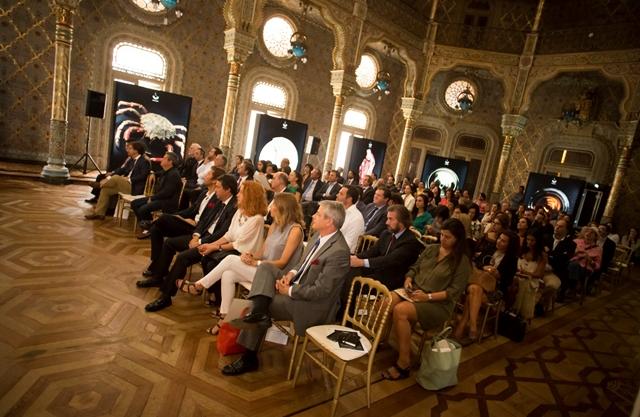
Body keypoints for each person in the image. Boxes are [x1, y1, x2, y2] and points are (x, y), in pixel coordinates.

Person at [222, 201, 350, 376]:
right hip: (298, 286)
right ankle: (258, 315)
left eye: (318, 214)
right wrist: (290, 274)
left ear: (329, 221)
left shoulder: (339, 252)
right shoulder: (318, 236)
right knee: (265, 268)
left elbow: (321, 291)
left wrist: (289, 291)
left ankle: (249, 357)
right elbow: (301, 263)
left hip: (312, 305)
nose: (312, 215)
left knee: (260, 304)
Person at [192, 193, 304, 334]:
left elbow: (282, 263)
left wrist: (255, 262)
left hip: (276, 277)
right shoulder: (275, 225)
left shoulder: (295, 230)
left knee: (231, 259)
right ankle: (224, 317)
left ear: (282, 208)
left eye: (273, 204)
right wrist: (250, 255)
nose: (270, 207)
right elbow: (262, 252)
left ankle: (200, 285)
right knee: (228, 274)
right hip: (262, 270)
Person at [382, 218, 471, 380]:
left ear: (457, 239)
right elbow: (414, 268)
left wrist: (427, 296)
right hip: (416, 291)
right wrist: (408, 280)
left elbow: (453, 292)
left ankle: (404, 362)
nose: (443, 239)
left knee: (400, 311)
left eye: (448, 237)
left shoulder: (461, 262)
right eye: (442, 235)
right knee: (388, 300)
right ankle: (388, 339)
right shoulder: (432, 249)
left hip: (438, 303)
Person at [136, 175, 239, 311]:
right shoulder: (219, 200)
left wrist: (200, 241)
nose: (216, 189)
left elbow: (223, 233)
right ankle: (158, 276)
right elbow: (203, 221)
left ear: (228, 190)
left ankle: (165, 297)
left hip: (213, 244)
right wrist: (196, 236)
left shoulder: (233, 207)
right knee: (170, 243)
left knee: (182, 257)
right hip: (201, 237)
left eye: (219, 187)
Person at [144, 166, 226, 277]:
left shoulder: (217, 198)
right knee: (156, 229)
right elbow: (190, 211)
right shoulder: (203, 194)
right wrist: (176, 216)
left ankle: (149, 226)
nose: (205, 176)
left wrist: (193, 223)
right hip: (189, 224)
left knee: (162, 220)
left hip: (197, 229)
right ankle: (156, 263)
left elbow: (208, 220)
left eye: (208, 174)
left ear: (214, 180)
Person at [454, 230, 519, 343]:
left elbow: (507, 282)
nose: (499, 241)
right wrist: (484, 267)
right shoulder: (490, 248)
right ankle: (473, 326)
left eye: (503, 241)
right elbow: (477, 262)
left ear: (510, 245)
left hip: (494, 290)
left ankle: (464, 322)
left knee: (473, 292)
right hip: (476, 280)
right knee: (476, 289)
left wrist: (498, 275)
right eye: (499, 238)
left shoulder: (512, 259)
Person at [199, 181, 268, 278]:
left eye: (241, 192)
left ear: (250, 196)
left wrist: (214, 247)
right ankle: (210, 290)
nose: (237, 195)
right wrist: (211, 245)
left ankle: (207, 289)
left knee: (212, 264)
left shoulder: (257, 219)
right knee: (205, 259)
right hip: (232, 248)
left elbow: (239, 244)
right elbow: (229, 235)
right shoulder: (240, 211)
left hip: (245, 254)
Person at [350, 205, 424, 290]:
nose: (386, 222)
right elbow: (372, 251)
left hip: (392, 278)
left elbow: (389, 260)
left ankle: (348, 303)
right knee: (348, 271)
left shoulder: (410, 241)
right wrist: (355, 257)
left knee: (355, 283)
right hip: (378, 269)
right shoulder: (386, 234)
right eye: (387, 218)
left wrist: (361, 262)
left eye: (391, 219)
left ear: (402, 222)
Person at [85, 141, 151, 219]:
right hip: (125, 185)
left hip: (134, 188)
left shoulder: (144, 161)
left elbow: (143, 176)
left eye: (130, 148)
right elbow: (122, 170)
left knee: (116, 177)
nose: (127, 150)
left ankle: (99, 185)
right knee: (105, 190)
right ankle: (99, 214)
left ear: (136, 151)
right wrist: (109, 176)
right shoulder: (131, 159)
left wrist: (129, 179)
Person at [131, 151, 183, 235]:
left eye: (164, 158)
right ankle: (149, 226)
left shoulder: (174, 174)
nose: (162, 159)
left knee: (143, 209)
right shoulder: (166, 171)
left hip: (168, 202)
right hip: (160, 198)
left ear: (170, 162)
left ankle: (150, 228)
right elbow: (157, 173)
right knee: (134, 203)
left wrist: (152, 198)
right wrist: (152, 173)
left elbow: (167, 193)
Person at [513, 232, 547, 320]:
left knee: (523, 283)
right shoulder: (522, 250)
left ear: (537, 241)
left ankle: (519, 313)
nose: (529, 242)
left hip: (531, 280)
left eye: (532, 240)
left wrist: (526, 273)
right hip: (518, 276)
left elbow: (539, 274)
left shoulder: (542, 255)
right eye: (528, 239)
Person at [566, 227, 602, 298]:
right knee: (571, 265)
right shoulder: (576, 241)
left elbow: (597, 266)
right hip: (570, 263)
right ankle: (571, 288)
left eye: (591, 233)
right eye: (587, 231)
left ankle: (570, 288)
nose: (588, 234)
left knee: (574, 265)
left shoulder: (598, 249)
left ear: (595, 236)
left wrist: (590, 260)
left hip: (586, 268)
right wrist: (575, 252)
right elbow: (566, 253)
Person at [548, 219, 576, 302]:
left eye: (560, 227)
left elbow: (563, 259)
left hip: (558, 269)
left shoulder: (571, 244)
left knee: (566, 270)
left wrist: (550, 254)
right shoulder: (546, 237)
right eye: (556, 225)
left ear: (566, 230)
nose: (557, 228)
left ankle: (560, 293)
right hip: (543, 265)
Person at [336, 185, 365, 253]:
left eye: (341, 194)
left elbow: (348, 246)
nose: (337, 195)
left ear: (349, 199)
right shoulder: (339, 211)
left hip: (343, 255)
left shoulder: (356, 218)